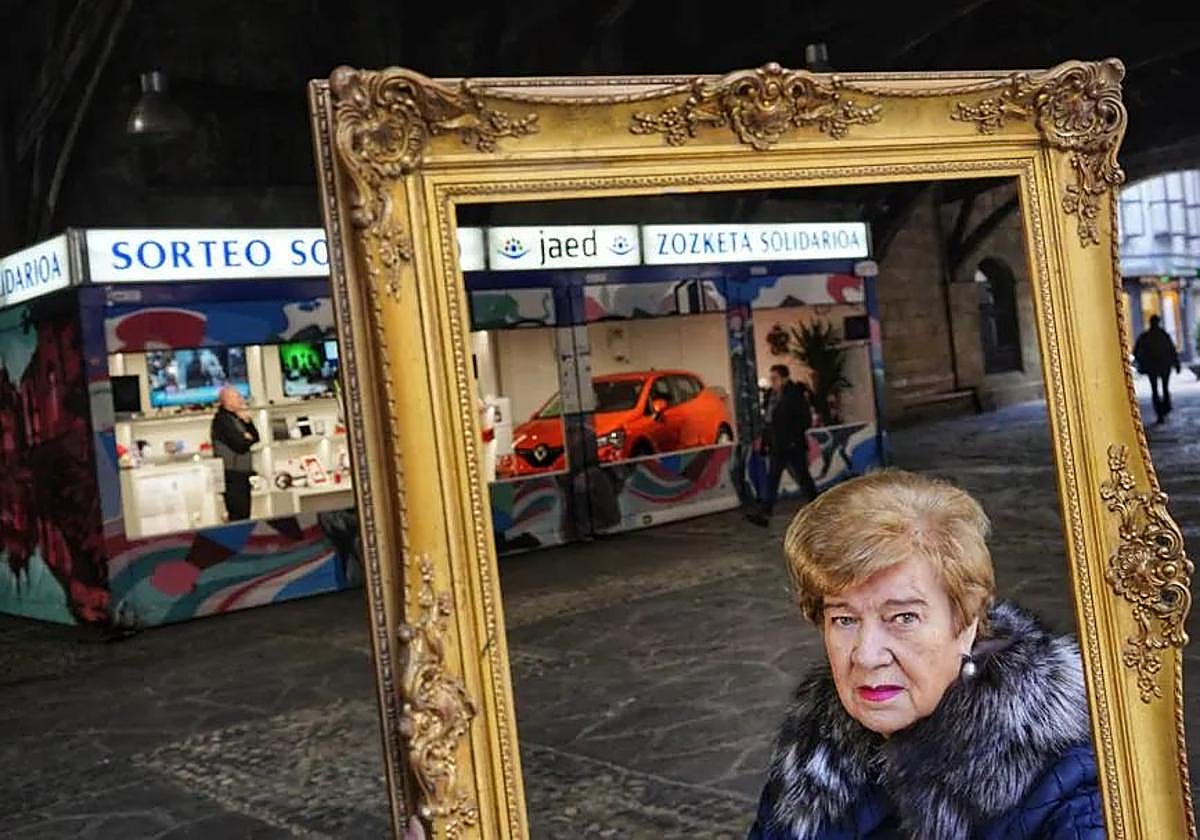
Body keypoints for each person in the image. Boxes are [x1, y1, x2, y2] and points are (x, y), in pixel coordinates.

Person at [748, 470, 1103, 840]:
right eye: (844, 618)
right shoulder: (811, 747)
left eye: (903, 617)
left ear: (967, 621)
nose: (867, 656)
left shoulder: (1068, 786)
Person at [748, 364, 819, 527]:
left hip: (792, 444)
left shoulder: (794, 395)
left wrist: (793, 437)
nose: (773, 382)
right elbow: (769, 422)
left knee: (803, 477)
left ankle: (818, 506)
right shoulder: (772, 397)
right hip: (778, 445)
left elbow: (804, 420)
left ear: (784, 378)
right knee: (773, 478)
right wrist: (766, 443)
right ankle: (765, 512)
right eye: (771, 379)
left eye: (775, 378)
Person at [211, 385, 260, 521]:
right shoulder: (222, 420)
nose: (241, 399)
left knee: (245, 514)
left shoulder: (238, 417)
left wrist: (248, 423)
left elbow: (256, 437)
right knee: (238, 515)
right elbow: (240, 445)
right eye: (237, 397)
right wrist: (245, 437)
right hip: (231, 475)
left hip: (243, 474)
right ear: (227, 400)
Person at [1133, 314, 1181, 424]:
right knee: (1164, 388)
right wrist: (1176, 363)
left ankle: (1160, 412)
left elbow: (1136, 351)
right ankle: (1164, 408)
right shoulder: (1163, 335)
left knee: (1155, 389)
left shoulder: (1146, 336)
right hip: (1163, 365)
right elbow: (1172, 350)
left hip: (1153, 366)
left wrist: (1141, 362)